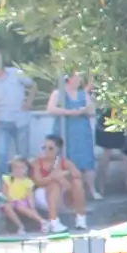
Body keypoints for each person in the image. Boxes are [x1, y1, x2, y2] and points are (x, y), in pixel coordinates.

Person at [47, 72, 100, 200]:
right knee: (66, 158)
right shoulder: (58, 93)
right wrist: (69, 112)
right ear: (69, 79)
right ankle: (69, 191)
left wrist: (84, 110)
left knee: (87, 158)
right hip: (66, 130)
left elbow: (92, 111)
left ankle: (92, 189)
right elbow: (50, 109)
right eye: (77, 77)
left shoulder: (83, 94)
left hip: (82, 130)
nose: (79, 80)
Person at [30, 134, 87, 232]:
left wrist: (67, 175)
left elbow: (77, 176)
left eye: (50, 148)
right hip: (42, 196)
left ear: (58, 149)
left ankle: (80, 218)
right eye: (44, 148)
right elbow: (38, 182)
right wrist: (54, 176)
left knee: (77, 183)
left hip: (62, 197)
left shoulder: (64, 162)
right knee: (54, 184)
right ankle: (54, 222)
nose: (46, 151)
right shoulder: (37, 162)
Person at [0, 157, 43, 231]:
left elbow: (30, 196)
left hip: (22, 202)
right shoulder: (8, 179)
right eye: (15, 167)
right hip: (9, 201)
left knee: (22, 207)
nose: (18, 170)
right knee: (7, 207)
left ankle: (42, 221)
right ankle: (20, 226)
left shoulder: (28, 182)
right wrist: (8, 199)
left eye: (22, 167)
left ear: (27, 169)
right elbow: (4, 193)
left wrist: (32, 207)